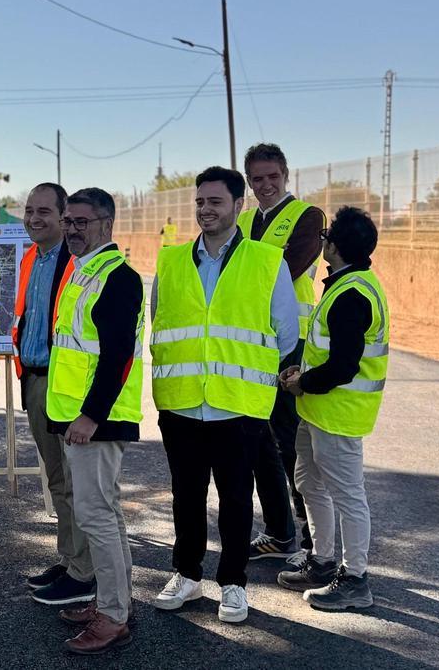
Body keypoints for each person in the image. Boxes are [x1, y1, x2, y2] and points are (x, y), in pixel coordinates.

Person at [149, 167, 298, 624]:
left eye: (215, 202)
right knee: (186, 496)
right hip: (182, 402)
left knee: (236, 499)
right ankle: (187, 574)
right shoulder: (171, 261)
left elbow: (286, 334)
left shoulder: (267, 261)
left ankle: (232, 583)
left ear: (239, 205)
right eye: (199, 202)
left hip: (238, 405)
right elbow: (160, 319)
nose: (205, 210)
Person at [46, 188, 144, 654]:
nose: (71, 229)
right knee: (104, 513)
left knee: (95, 516)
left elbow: (118, 356)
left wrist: (90, 415)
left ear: (106, 223)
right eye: (67, 220)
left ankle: (112, 616)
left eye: (81, 221)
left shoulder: (118, 277)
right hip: (77, 417)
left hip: (96, 421)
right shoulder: (82, 272)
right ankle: (114, 601)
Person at [276, 206, 388, 610]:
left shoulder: (351, 295)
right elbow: (327, 351)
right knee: (308, 481)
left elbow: (344, 364)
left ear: (334, 247)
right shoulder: (346, 283)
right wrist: (300, 370)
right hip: (317, 410)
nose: (322, 242)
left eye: (327, 237)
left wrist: (302, 383)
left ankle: (355, 579)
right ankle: (322, 562)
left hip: (337, 413)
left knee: (347, 495)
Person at [240, 143, 326, 561]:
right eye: (257, 179)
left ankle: (311, 543)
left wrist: (241, 277)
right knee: (258, 441)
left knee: (292, 444)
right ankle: (279, 533)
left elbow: (283, 270)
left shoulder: (307, 217)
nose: (266, 185)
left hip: (291, 345)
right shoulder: (242, 219)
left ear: (286, 175)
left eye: (272, 176)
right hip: (248, 344)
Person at [11, 183, 89, 605]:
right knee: (57, 479)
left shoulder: (76, 264)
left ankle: (85, 573)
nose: (33, 218)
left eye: (44, 211)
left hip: (66, 385)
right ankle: (70, 558)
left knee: (77, 483)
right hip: (35, 380)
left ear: (63, 217)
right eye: (29, 210)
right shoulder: (30, 260)